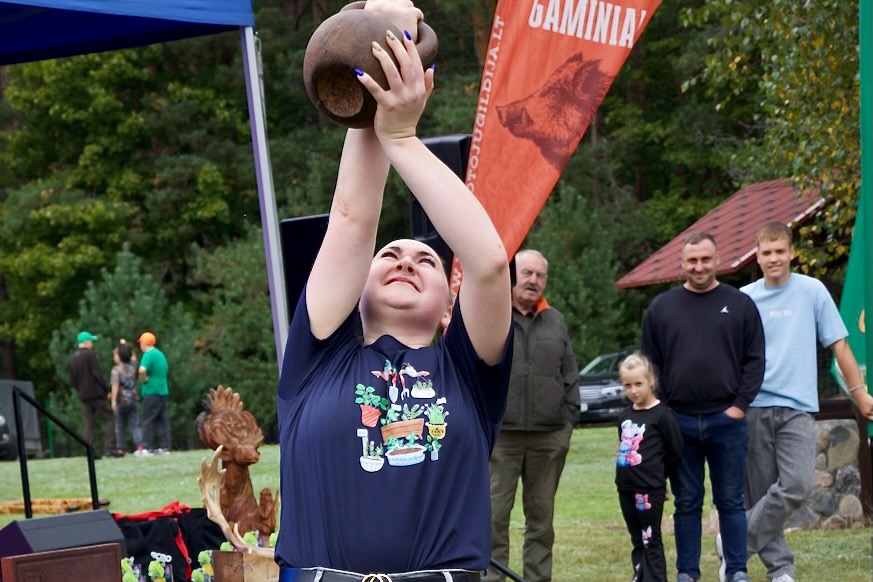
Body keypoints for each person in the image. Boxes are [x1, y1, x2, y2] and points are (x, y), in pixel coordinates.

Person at [274, 3, 513, 580]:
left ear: (449, 306)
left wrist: (402, 138)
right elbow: (353, 219)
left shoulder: (469, 372)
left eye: (427, 260)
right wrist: (381, 44)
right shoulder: (315, 359)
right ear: (355, 292)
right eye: (390, 255)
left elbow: (487, 263)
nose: (406, 259)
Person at [740, 222, 873, 582]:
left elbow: (840, 345)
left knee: (796, 485)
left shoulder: (812, 291)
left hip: (797, 407)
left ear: (791, 253)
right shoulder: (744, 299)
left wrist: (860, 393)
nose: (773, 258)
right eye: (767, 253)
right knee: (762, 493)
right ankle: (781, 570)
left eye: (779, 251)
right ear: (758, 256)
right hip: (753, 407)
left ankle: (736, 543)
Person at [641, 232, 765, 582]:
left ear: (717, 260)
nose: (699, 266)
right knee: (687, 502)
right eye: (692, 260)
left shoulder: (740, 304)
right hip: (678, 422)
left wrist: (739, 406)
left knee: (731, 500)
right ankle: (687, 573)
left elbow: (755, 360)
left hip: (727, 421)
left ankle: (737, 571)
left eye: (705, 259)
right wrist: (663, 412)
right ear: (682, 263)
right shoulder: (661, 308)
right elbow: (650, 364)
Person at [485, 249, 579, 582]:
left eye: (540, 275)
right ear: (513, 276)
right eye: (527, 273)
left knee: (541, 521)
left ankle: (537, 579)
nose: (534, 280)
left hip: (548, 437)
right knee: (493, 519)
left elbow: (569, 374)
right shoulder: (493, 314)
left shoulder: (556, 320)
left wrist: (568, 422)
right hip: (502, 438)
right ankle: (491, 579)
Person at [615, 352, 683, 582]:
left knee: (650, 537)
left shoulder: (663, 416)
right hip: (625, 487)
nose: (633, 390)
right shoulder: (624, 416)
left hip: (648, 488)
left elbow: (674, 451)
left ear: (651, 381)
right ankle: (640, 575)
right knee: (636, 537)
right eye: (627, 385)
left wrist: (660, 479)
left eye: (638, 384)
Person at [68, 330, 123, 458]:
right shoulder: (89, 355)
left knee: (89, 423)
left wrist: (80, 391)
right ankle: (110, 448)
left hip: (83, 395)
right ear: (86, 342)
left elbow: (72, 379)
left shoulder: (73, 358)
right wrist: (106, 390)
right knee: (110, 416)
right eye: (91, 341)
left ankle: (89, 450)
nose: (92, 344)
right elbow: (96, 374)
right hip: (95, 393)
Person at [137, 331, 171, 454]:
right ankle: (165, 446)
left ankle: (147, 447)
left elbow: (142, 370)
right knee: (162, 419)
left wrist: (143, 379)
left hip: (151, 391)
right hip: (162, 390)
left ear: (144, 343)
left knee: (148, 419)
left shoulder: (148, 354)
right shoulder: (160, 354)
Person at [110, 340, 146, 456]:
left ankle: (121, 447)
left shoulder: (116, 370)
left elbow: (115, 385)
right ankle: (139, 446)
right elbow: (133, 357)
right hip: (133, 399)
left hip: (121, 400)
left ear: (119, 357)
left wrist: (113, 400)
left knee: (120, 426)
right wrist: (125, 345)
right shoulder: (132, 367)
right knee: (135, 424)